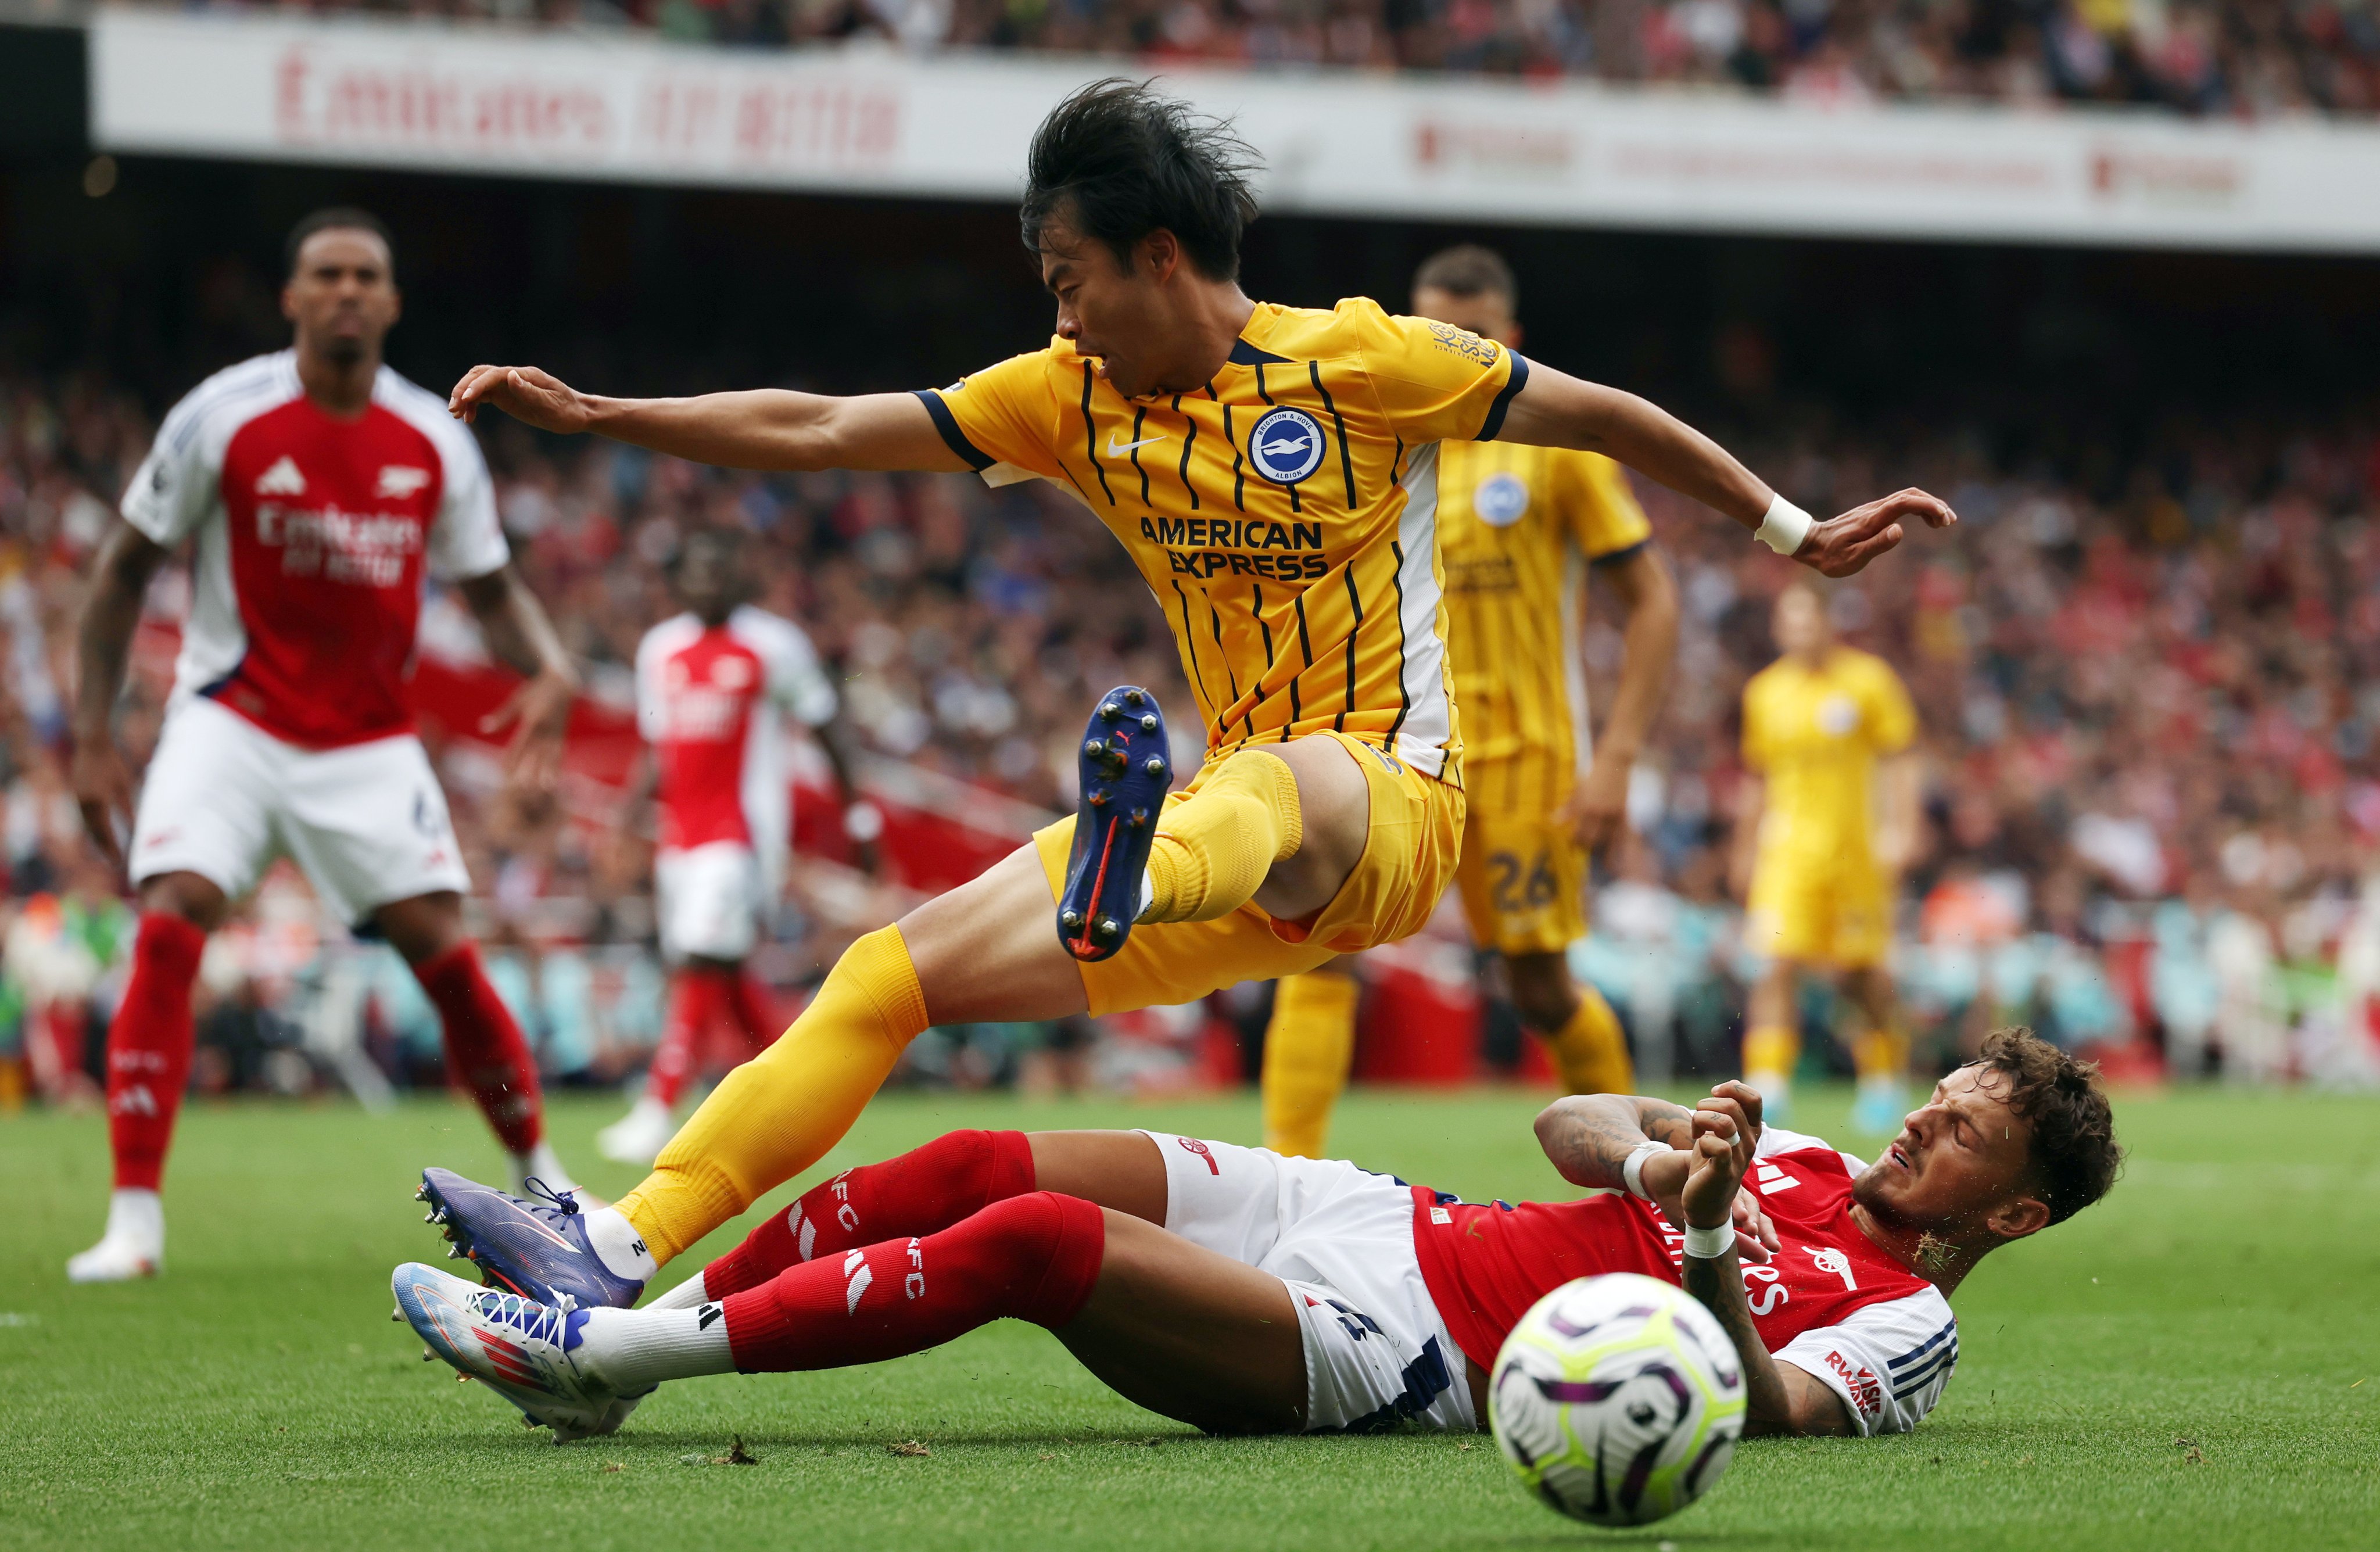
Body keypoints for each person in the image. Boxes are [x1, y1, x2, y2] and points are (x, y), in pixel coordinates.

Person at [419, 80, 1954, 1313]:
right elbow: (826, 425)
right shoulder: (1066, 397)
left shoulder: (1361, 361)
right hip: (1218, 842)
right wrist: (608, 411)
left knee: (1279, 780)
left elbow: (1602, 413)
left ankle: (1129, 854)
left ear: (1160, 255)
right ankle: (615, 1245)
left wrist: (1789, 529)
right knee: (886, 974)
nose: (1060, 315)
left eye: (1070, 277)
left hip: (1387, 802)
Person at [394, 1028, 2118, 1442]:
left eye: (1962, 1126)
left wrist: (1719, 1259)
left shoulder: (1906, 1319)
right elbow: (1562, 1127)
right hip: (1377, 1211)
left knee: (1037, 1236)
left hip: (1403, 1353)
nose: (1923, 1115)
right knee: (983, 1147)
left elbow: (1781, 1410)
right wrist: (1672, 1148)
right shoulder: (1807, 1153)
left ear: (2013, 1208)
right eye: (1943, 1089)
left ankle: (604, 1360)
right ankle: (639, 1295)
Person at [66, 207, 585, 1282]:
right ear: (291, 298)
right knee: (171, 916)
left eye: (365, 277)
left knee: (444, 954)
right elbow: (121, 571)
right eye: (325, 275)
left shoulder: (435, 437)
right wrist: (91, 736)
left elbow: (491, 590)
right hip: (232, 716)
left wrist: (551, 663)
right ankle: (133, 1221)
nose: (346, 291)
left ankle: (548, 1181)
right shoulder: (222, 416)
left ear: (392, 303)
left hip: (367, 742)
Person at [1260, 244, 1680, 1159]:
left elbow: (1652, 601)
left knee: (1539, 986)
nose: (1453, 353)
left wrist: (1615, 761)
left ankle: (1640, 1173)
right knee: (1321, 942)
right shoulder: (1374, 438)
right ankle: (1284, 1179)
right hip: (1395, 743)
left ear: (1511, 339)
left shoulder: (1555, 451)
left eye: (1476, 337)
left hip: (1526, 760)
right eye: (1433, 333)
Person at [597, 529, 872, 1166]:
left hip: (742, 835)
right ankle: (808, 1096)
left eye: (717, 572)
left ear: (736, 578)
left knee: (698, 957)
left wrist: (858, 817)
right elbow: (656, 745)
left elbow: (825, 721)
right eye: (693, 573)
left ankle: (658, 1105)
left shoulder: (772, 644)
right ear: (679, 582)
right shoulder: (659, 648)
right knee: (720, 968)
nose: (706, 584)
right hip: (679, 840)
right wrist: (624, 821)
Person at [1730, 582, 1922, 1130]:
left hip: (1856, 852)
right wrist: (1745, 848)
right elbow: (1758, 776)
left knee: (1861, 973)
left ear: (1827, 622)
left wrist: (1903, 828)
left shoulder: (1868, 681)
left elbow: (1900, 758)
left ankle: (1884, 1079)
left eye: (1806, 619)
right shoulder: (1764, 693)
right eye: (1788, 621)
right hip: (1788, 853)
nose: (1798, 630)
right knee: (1775, 962)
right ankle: (1769, 1083)